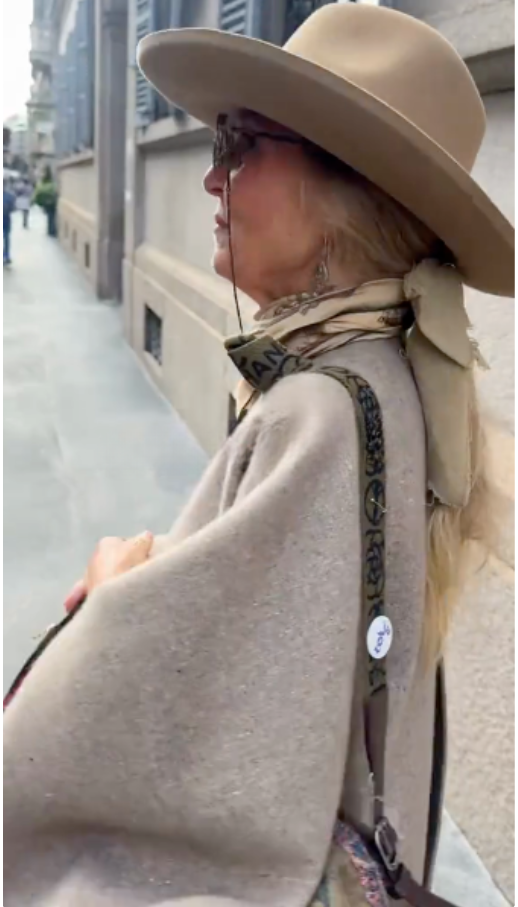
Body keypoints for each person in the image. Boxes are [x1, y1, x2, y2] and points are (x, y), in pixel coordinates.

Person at [3, 6, 514, 907]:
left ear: (345, 194)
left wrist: (116, 594)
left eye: (240, 146)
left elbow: (203, 738)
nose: (212, 177)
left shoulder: (321, 410)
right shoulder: (387, 368)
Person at [33, 165, 58, 236]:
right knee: (51, 217)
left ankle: (50, 230)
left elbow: (37, 191)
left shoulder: (44, 182)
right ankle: (51, 230)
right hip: (51, 202)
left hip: (49, 202)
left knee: (50, 217)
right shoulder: (50, 182)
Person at [3, 177, 16, 265]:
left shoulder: (10, 196)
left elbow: (13, 208)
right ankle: (6, 255)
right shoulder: (10, 196)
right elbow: (13, 208)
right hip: (6, 218)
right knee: (6, 238)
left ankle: (6, 255)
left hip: (5, 218)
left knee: (6, 238)